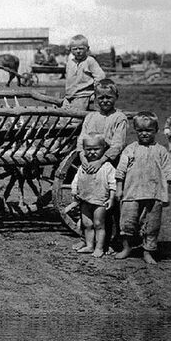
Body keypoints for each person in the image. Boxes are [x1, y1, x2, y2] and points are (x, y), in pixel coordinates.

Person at [73, 79, 127, 250]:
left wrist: (101, 161)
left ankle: (112, 240)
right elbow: (81, 139)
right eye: (101, 97)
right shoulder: (91, 117)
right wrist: (82, 157)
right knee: (87, 201)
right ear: (95, 98)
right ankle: (86, 239)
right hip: (89, 165)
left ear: (116, 97)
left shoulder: (119, 118)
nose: (105, 101)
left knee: (110, 204)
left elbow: (118, 144)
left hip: (110, 165)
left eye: (109, 97)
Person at [114, 112, 171, 265]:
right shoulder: (130, 149)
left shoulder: (161, 151)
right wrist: (119, 189)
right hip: (131, 193)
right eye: (140, 130)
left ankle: (148, 252)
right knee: (127, 223)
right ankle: (127, 248)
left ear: (156, 130)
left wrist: (166, 194)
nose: (144, 133)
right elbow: (120, 171)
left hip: (154, 194)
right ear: (135, 130)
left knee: (152, 225)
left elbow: (167, 174)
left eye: (148, 130)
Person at [71, 134, 116, 258]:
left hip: (100, 200)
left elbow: (113, 183)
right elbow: (77, 180)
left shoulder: (107, 167)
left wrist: (111, 198)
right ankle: (89, 245)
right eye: (88, 149)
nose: (92, 152)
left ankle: (99, 248)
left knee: (98, 224)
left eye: (96, 149)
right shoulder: (83, 166)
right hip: (85, 199)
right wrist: (75, 192)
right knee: (87, 224)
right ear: (84, 150)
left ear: (103, 149)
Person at [61, 34, 105, 110]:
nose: (78, 51)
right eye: (75, 49)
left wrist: (95, 93)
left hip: (82, 96)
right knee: (63, 118)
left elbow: (100, 77)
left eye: (81, 48)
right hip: (69, 95)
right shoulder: (70, 62)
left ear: (87, 49)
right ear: (70, 50)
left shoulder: (89, 61)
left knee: (76, 119)